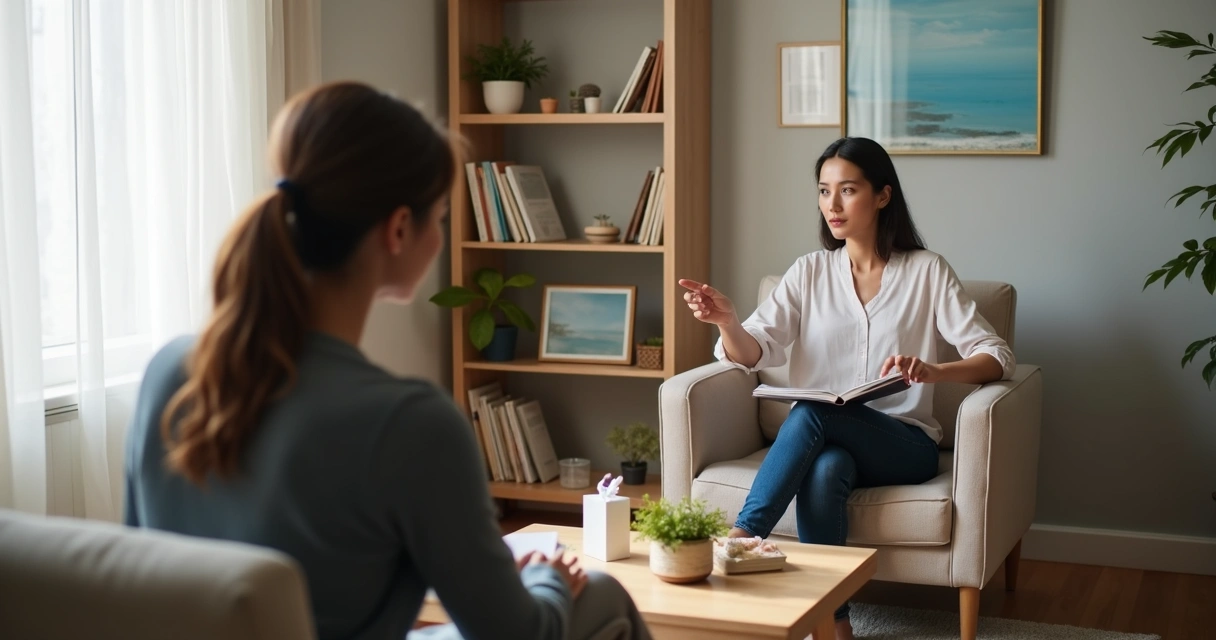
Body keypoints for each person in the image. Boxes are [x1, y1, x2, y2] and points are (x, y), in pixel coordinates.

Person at [124, 82, 651, 640]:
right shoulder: (410, 423)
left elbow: (139, 580)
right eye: (442, 216)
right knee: (598, 595)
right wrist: (544, 580)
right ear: (400, 229)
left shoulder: (169, 373)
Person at [678, 137, 1014, 640]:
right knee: (825, 470)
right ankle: (833, 626)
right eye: (823, 191)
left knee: (814, 413)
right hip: (829, 445)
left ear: (882, 196)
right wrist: (727, 321)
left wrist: (934, 371)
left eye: (847, 190)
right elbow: (753, 353)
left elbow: (998, 356)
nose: (832, 205)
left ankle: (743, 536)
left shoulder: (927, 271)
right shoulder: (809, 272)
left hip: (907, 445)